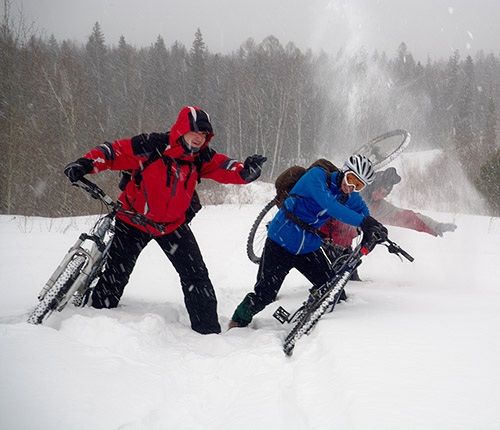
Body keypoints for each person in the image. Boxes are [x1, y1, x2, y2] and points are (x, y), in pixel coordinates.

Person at [63, 106, 267, 335]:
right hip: (134, 221)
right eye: (196, 132)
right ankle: (100, 318)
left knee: (196, 276)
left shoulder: (201, 157)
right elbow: (113, 152)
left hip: (171, 226)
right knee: (116, 274)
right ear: (182, 129)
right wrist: (86, 164)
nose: (200, 138)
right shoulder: (151, 145)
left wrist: (245, 172)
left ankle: (208, 333)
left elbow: (224, 167)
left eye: (205, 135)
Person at [229, 154, 387, 329]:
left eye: (358, 185)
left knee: (334, 292)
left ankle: (315, 313)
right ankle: (237, 322)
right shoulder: (317, 176)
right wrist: (363, 222)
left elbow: (362, 210)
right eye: (350, 179)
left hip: (307, 248)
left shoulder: (348, 195)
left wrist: (376, 227)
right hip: (280, 242)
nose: (350, 187)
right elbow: (330, 206)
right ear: (344, 170)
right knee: (264, 295)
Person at [320, 166, 457, 254]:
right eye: (379, 190)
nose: (379, 196)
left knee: (352, 281)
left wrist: (436, 226)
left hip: (342, 247)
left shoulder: (379, 207)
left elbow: (407, 217)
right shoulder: (350, 192)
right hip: (318, 238)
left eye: (384, 194)